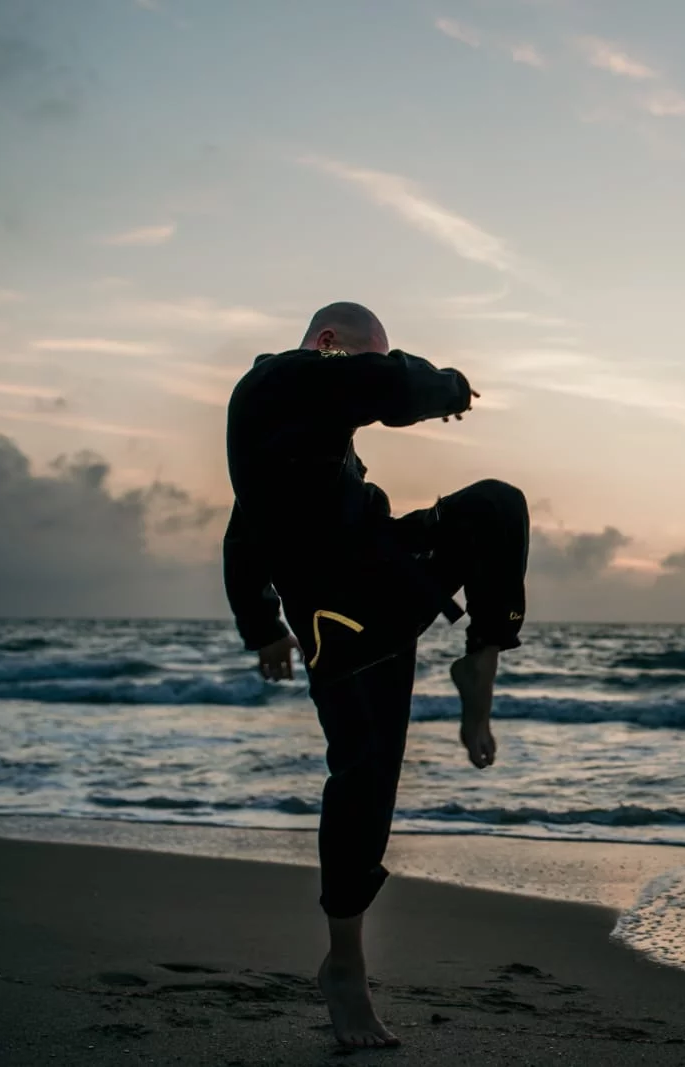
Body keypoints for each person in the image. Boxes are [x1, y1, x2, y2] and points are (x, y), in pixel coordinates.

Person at [221, 301, 529, 1048]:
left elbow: (242, 534)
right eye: (361, 360)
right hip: (341, 621)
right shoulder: (276, 386)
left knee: (497, 507)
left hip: (389, 576)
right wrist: (449, 386)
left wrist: (260, 626)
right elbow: (392, 386)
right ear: (328, 344)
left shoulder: (305, 426)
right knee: (363, 786)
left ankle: (480, 657)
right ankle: (347, 967)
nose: (367, 377)